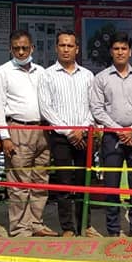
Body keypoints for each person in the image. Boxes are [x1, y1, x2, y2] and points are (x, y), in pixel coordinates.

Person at [0, 30, 56, 238]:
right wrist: (4, 136)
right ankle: (20, 227)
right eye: (16, 48)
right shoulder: (1, 73)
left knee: (40, 179)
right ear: (10, 49)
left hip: (42, 130)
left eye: (24, 48)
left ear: (32, 48)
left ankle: (36, 223)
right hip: (18, 129)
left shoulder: (41, 72)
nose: (21, 52)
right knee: (19, 182)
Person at [91, 32, 132, 237]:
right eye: (116, 49)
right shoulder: (101, 78)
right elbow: (97, 109)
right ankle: (113, 229)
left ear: (130, 51)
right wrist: (118, 130)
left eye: (123, 48)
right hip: (111, 137)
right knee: (111, 184)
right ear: (111, 51)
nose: (120, 52)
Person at [37, 30, 95, 237]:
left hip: (84, 136)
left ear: (77, 49)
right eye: (62, 45)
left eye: (70, 45)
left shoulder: (87, 76)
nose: (66, 49)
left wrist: (82, 129)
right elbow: (46, 109)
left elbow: (93, 106)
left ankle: (84, 225)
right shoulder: (47, 75)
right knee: (64, 182)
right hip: (60, 137)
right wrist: (70, 131)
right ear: (56, 48)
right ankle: (68, 227)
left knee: (83, 181)